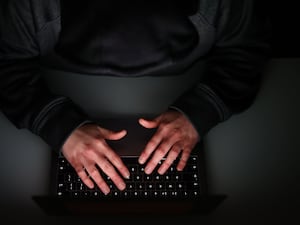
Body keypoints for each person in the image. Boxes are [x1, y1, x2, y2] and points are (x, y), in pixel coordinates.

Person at [0, 0, 270, 195]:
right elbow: (7, 64)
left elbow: (245, 53)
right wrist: (58, 125)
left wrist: (199, 111)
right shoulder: (31, 7)